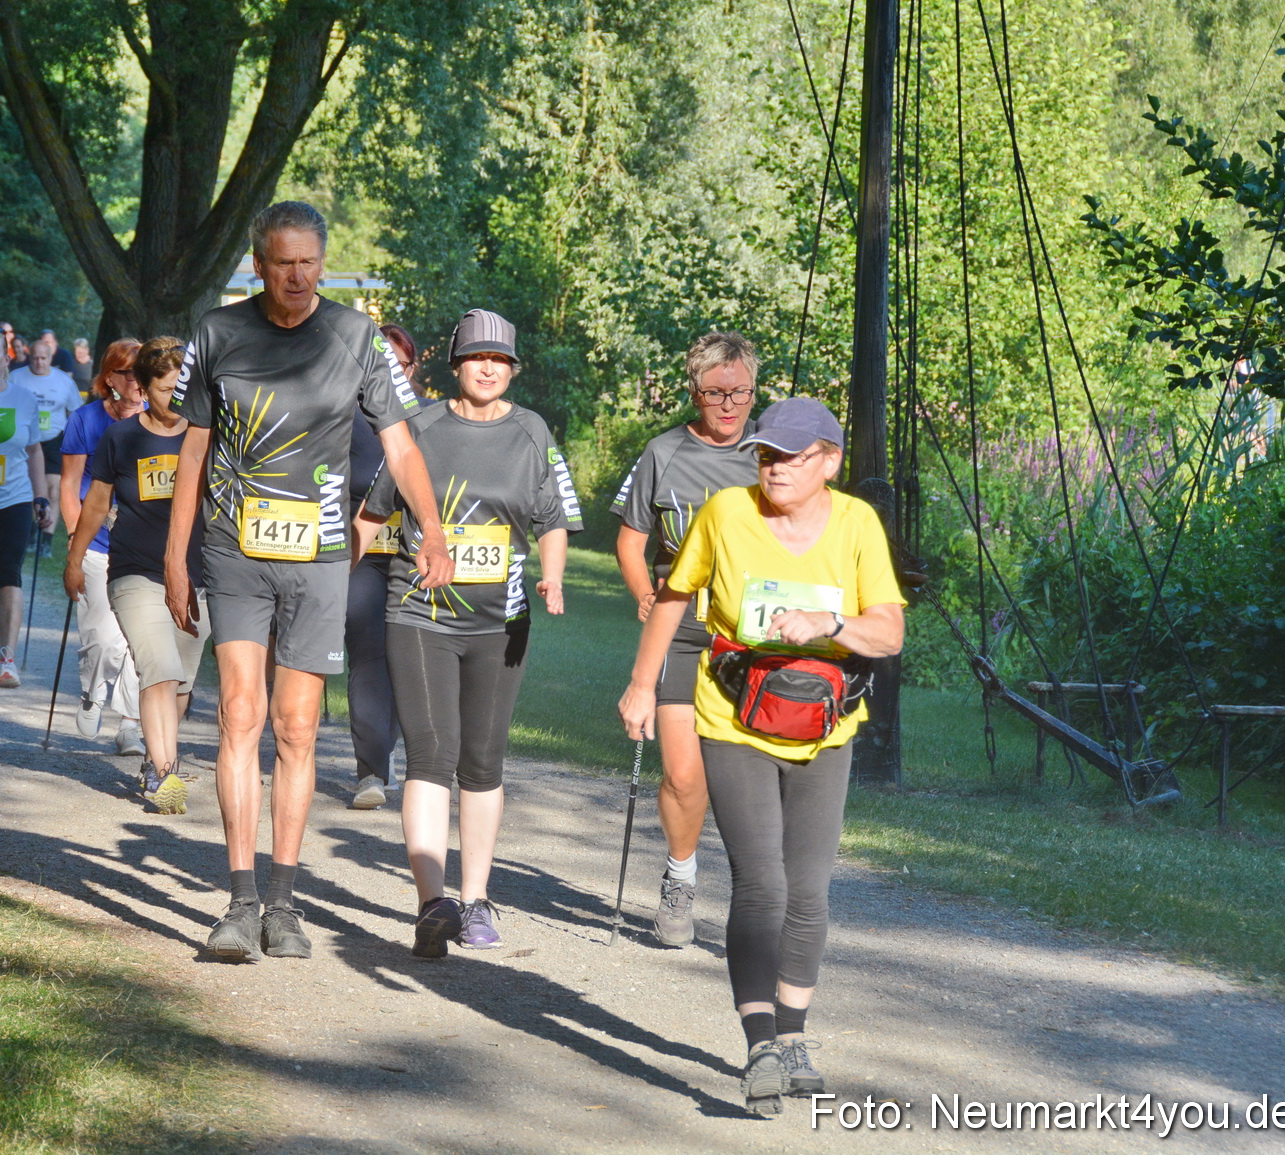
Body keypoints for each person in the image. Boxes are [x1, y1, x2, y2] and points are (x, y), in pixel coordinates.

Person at [164, 201, 453, 962]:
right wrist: (174, 556)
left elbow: (403, 445)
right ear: (257, 263)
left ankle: (284, 902)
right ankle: (237, 899)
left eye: (309, 263)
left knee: (296, 726)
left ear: (322, 262)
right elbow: (192, 453)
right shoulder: (219, 333)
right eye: (282, 262)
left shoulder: (356, 337)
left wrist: (434, 528)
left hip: (321, 554)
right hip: (233, 550)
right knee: (238, 712)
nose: (296, 276)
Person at [618, 397, 906, 1117]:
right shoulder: (724, 512)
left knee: (808, 889)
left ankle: (794, 1034)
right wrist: (642, 684)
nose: (774, 468)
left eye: (791, 456)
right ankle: (759, 1043)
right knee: (763, 884)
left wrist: (828, 624)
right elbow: (674, 595)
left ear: (830, 462)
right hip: (733, 719)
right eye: (766, 454)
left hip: (823, 729)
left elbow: (890, 631)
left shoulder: (857, 523)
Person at [355, 310, 581, 956]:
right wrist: (328, 582)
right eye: (476, 356)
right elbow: (373, 511)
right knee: (431, 749)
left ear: (512, 368)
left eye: (501, 359)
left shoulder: (532, 432)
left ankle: (478, 898)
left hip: (500, 620)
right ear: (455, 363)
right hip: (420, 610)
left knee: (482, 759)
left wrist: (554, 576)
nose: (488, 367)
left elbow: (553, 517)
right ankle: (433, 903)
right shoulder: (419, 426)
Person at [611, 331, 760, 947]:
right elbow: (629, 538)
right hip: (680, 630)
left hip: (751, 634)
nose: (729, 405)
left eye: (741, 392)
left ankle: (760, 892)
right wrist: (646, 593)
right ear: (693, 391)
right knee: (682, 775)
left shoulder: (771, 454)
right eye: (716, 393)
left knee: (751, 776)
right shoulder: (663, 453)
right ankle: (679, 878)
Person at [66, 336, 209, 809]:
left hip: (196, 575)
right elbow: (97, 503)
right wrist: (74, 560)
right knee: (159, 669)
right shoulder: (121, 438)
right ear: (144, 390)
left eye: (182, 388)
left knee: (182, 680)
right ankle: (166, 775)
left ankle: (155, 755)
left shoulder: (206, 436)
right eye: (167, 389)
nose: (178, 399)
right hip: (134, 571)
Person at [344, 322, 422, 809]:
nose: (390, 373)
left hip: (417, 558)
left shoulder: (432, 419)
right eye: (380, 364)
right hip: (363, 556)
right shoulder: (343, 418)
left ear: (414, 370)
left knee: (409, 660)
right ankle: (371, 770)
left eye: (399, 364)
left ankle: (405, 753)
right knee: (370, 657)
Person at [60, 339, 147, 756]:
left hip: (139, 546)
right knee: (104, 639)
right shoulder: (86, 420)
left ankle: (130, 724)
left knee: (138, 638)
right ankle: (93, 691)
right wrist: (74, 542)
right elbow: (69, 484)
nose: (138, 381)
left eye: (143, 372)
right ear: (111, 378)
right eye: (129, 373)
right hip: (94, 541)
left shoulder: (158, 420)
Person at [0, 328, 53, 688]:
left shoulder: (24, 398)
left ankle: (7, 658)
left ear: (6, 358)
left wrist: (41, 497)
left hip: (14, 499)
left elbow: (34, 451)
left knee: (10, 575)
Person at [12, 338, 84, 547]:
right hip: (25, 441)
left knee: (54, 489)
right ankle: (32, 529)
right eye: (35, 358)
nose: (39, 362)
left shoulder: (63, 381)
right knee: (30, 487)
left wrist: (73, 441)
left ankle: (47, 539)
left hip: (54, 440)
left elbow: (74, 413)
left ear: (51, 358)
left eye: (43, 358)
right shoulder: (16, 378)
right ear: (29, 357)